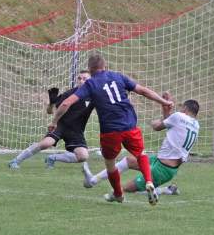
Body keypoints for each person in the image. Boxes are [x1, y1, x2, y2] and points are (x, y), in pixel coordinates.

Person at [48, 53, 173, 205]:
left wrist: (54, 121)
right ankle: (148, 181)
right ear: (104, 66)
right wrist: (163, 102)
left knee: (110, 164)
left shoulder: (90, 84)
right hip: (129, 127)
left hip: (110, 132)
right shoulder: (118, 76)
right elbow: (144, 91)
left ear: (90, 69)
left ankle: (118, 194)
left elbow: (67, 103)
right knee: (141, 154)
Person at [82, 93, 200, 198]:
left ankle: (164, 190)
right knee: (128, 160)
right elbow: (171, 123)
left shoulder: (179, 116)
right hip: (162, 162)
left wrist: (156, 119)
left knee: (125, 189)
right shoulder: (196, 125)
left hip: (163, 169)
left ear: (184, 108)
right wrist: (165, 111)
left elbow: (157, 126)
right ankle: (93, 180)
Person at [8, 70, 94, 169]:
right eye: (79, 78)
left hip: (76, 130)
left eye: (85, 79)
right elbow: (50, 111)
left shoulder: (93, 96)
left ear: (90, 81)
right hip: (61, 125)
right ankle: (15, 161)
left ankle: (52, 158)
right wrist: (51, 104)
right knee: (46, 143)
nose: (81, 81)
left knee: (83, 156)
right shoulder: (69, 94)